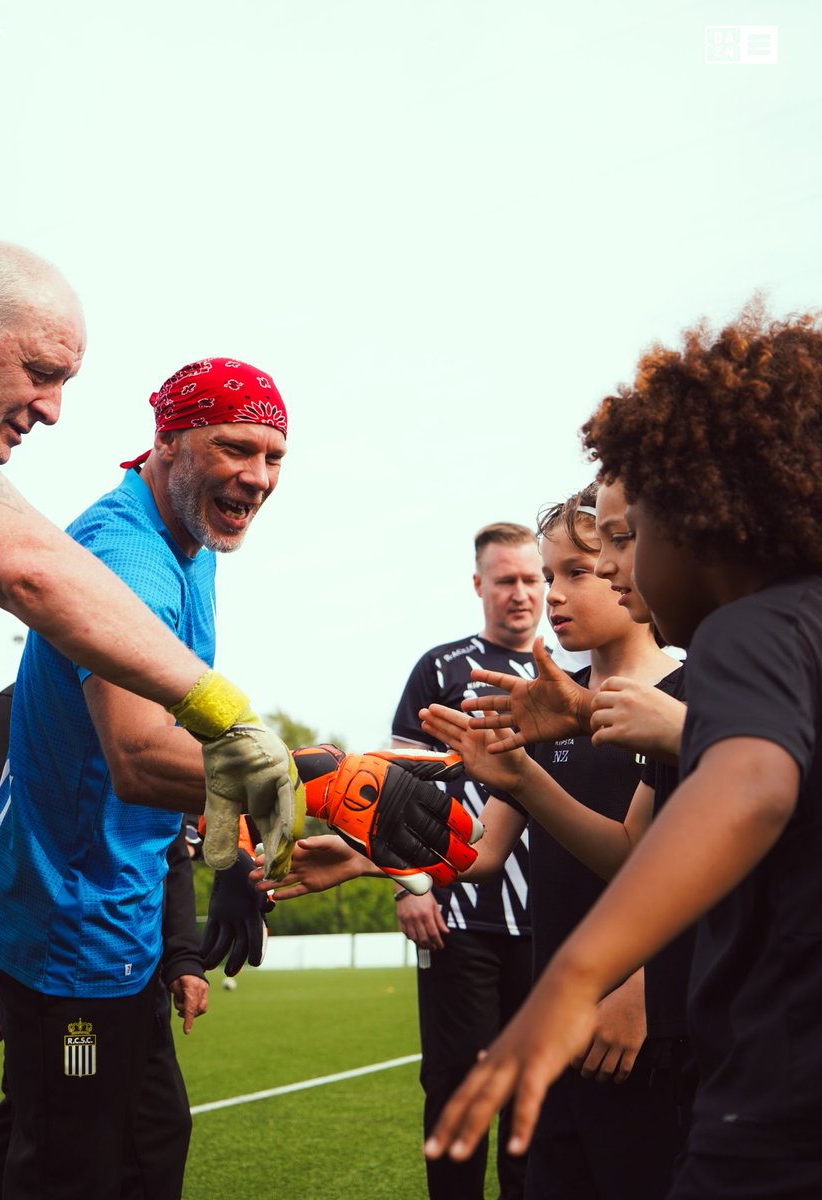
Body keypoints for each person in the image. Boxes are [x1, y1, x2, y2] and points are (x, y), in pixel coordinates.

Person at [0, 359, 476, 1200]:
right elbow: (136, 757)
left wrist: (233, 854)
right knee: (72, 1163)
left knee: (139, 1141)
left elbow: (196, 730)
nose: (258, 477)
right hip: (69, 937)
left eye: (275, 457)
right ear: (166, 440)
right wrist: (323, 785)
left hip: (120, 917)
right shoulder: (129, 557)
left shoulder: (191, 541)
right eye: (235, 447)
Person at [425, 303, 822, 1200]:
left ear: (699, 518)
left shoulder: (746, 634)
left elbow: (753, 783)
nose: (613, 570)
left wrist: (576, 979)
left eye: (629, 533)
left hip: (776, 1099)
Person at [0, 242, 307, 956]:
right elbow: (30, 571)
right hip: (76, 934)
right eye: (41, 374)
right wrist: (225, 716)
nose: (54, 409)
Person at [268, 488, 686, 1200]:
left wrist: (644, 992)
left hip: (638, 1029)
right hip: (556, 1019)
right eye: (546, 575)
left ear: (630, 562)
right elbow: (483, 854)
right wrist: (375, 860)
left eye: (574, 573)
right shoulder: (547, 698)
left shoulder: (683, 697)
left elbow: (667, 870)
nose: (552, 595)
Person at [0, 686, 207, 1199]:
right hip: (65, 955)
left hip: (131, 953)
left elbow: (167, 844)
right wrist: (9, 917)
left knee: (154, 1126)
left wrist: (184, 954)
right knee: (62, 1142)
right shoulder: (36, 703)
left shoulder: (159, 702)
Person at [390, 521, 543, 1200]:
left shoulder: (567, 672)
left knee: (538, 1096)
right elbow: (393, 789)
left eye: (532, 578)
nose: (522, 593)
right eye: (506, 579)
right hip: (459, 918)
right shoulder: (442, 668)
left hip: (554, 925)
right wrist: (412, 883)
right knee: (459, 1084)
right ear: (479, 585)